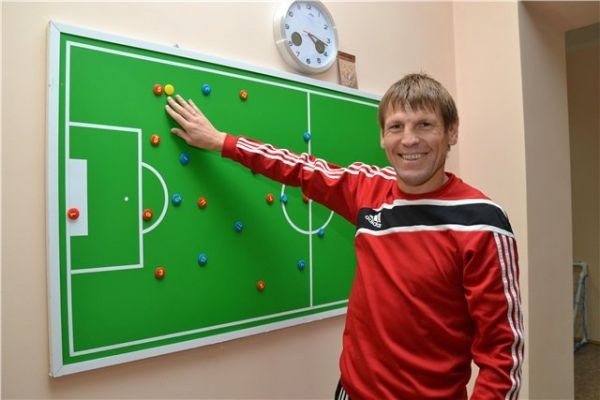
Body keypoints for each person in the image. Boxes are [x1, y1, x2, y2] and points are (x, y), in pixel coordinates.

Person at [165, 73, 523, 399]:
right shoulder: (367, 188)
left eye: (425, 124)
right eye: (396, 126)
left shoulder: (482, 222)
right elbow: (298, 167)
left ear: (452, 132)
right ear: (382, 136)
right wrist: (220, 141)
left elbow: (502, 357)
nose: (409, 139)